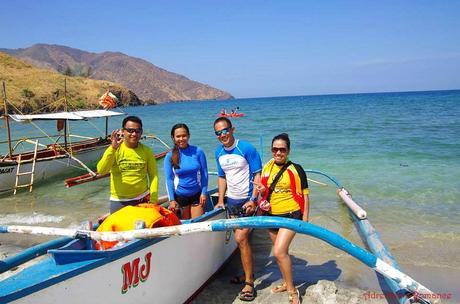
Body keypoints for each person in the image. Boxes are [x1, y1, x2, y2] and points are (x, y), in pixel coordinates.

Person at [255, 133, 309, 304]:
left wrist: (305, 218)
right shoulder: (267, 168)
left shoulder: (297, 169)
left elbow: (306, 196)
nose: (278, 152)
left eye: (282, 149)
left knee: (278, 252)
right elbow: (265, 191)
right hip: (271, 215)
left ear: (288, 151)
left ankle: (293, 290)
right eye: (275, 149)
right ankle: (287, 283)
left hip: (291, 215)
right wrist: (262, 190)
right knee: (282, 254)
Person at [213, 117, 262, 301]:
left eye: (225, 130)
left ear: (232, 129)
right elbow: (221, 177)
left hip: (248, 201)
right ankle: (247, 274)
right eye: (218, 133)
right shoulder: (219, 153)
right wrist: (220, 200)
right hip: (232, 202)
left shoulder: (246, 148)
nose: (222, 135)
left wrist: (253, 199)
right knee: (240, 241)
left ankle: (249, 283)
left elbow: (258, 174)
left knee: (241, 238)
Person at [97, 116, 158, 214]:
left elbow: (153, 176)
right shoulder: (115, 149)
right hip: (119, 201)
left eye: (137, 131)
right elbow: (101, 170)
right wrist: (113, 149)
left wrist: (153, 199)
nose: (134, 134)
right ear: (123, 131)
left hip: (143, 199)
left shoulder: (147, 151)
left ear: (141, 132)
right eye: (130, 130)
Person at [164, 123, 208, 220]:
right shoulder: (170, 156)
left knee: (198, 225)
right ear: (173, 138)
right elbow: (169, 179)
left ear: (188, 136)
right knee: (185, 228)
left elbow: (204, 173)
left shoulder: (198, 151)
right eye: (178, 136)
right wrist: (171, 199)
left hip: (197, 195)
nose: (181, 139)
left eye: (184, 136)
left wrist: (204, 192)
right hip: (180, 197)